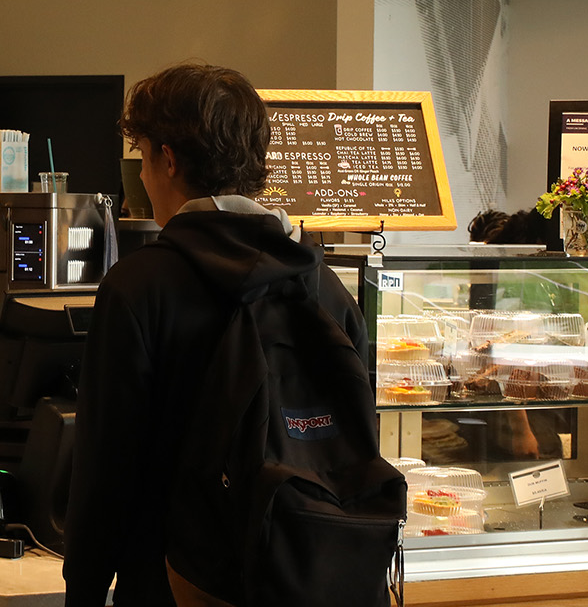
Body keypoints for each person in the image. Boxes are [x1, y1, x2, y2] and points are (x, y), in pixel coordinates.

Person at [64, 64, 368, 607]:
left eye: (144, 158)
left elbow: (105, 471)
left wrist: (83, 591)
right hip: (306, 576)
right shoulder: (325, 287)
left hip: (175, 586)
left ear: (169, 159)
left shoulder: (137, 287)